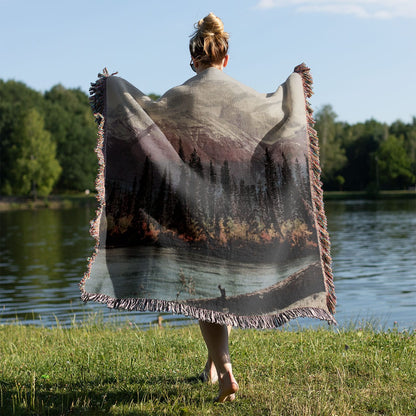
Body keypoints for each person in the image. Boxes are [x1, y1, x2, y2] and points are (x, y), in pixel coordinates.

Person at [189, 13, 239, 403]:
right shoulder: (242, 94)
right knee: (222, 291)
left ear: (195, 60)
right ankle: (210, 366)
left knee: (206, 296)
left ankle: (225, 371)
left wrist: (114, 90)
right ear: (225, 59)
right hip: (236, 207)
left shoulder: (181, 94)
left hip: (196, 206)